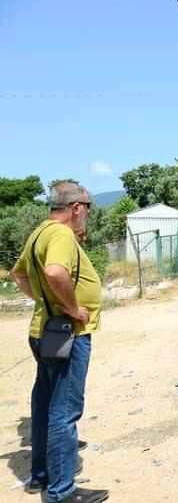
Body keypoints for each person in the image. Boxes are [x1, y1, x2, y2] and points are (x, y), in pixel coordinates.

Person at [10, 181, 109, 503]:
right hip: (67, 333)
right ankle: (62, 492)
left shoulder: (39, 232)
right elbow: (55, 273)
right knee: (64, 412)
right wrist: (69, 307)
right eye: (88, 210)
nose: (88, 217)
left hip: (44, 330)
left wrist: (45, 303)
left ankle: (41, 476)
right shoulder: (61, 235)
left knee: (44, 405)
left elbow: (20, 275)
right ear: (77, 208)